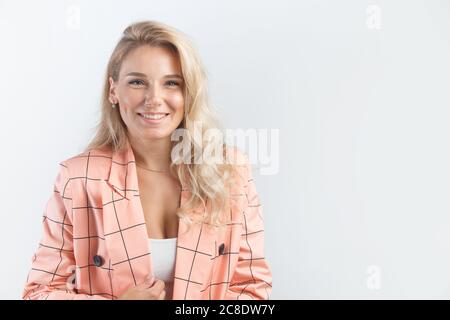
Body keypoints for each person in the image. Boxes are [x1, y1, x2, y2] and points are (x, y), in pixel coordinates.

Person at [22, 20, 272, 300]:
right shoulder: (79, 178)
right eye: (138, 82)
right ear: (113, 90)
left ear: (189, 92)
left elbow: (253, 290)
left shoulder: (231, 172)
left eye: (171, 83)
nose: (154, 99)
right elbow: (39, 292)